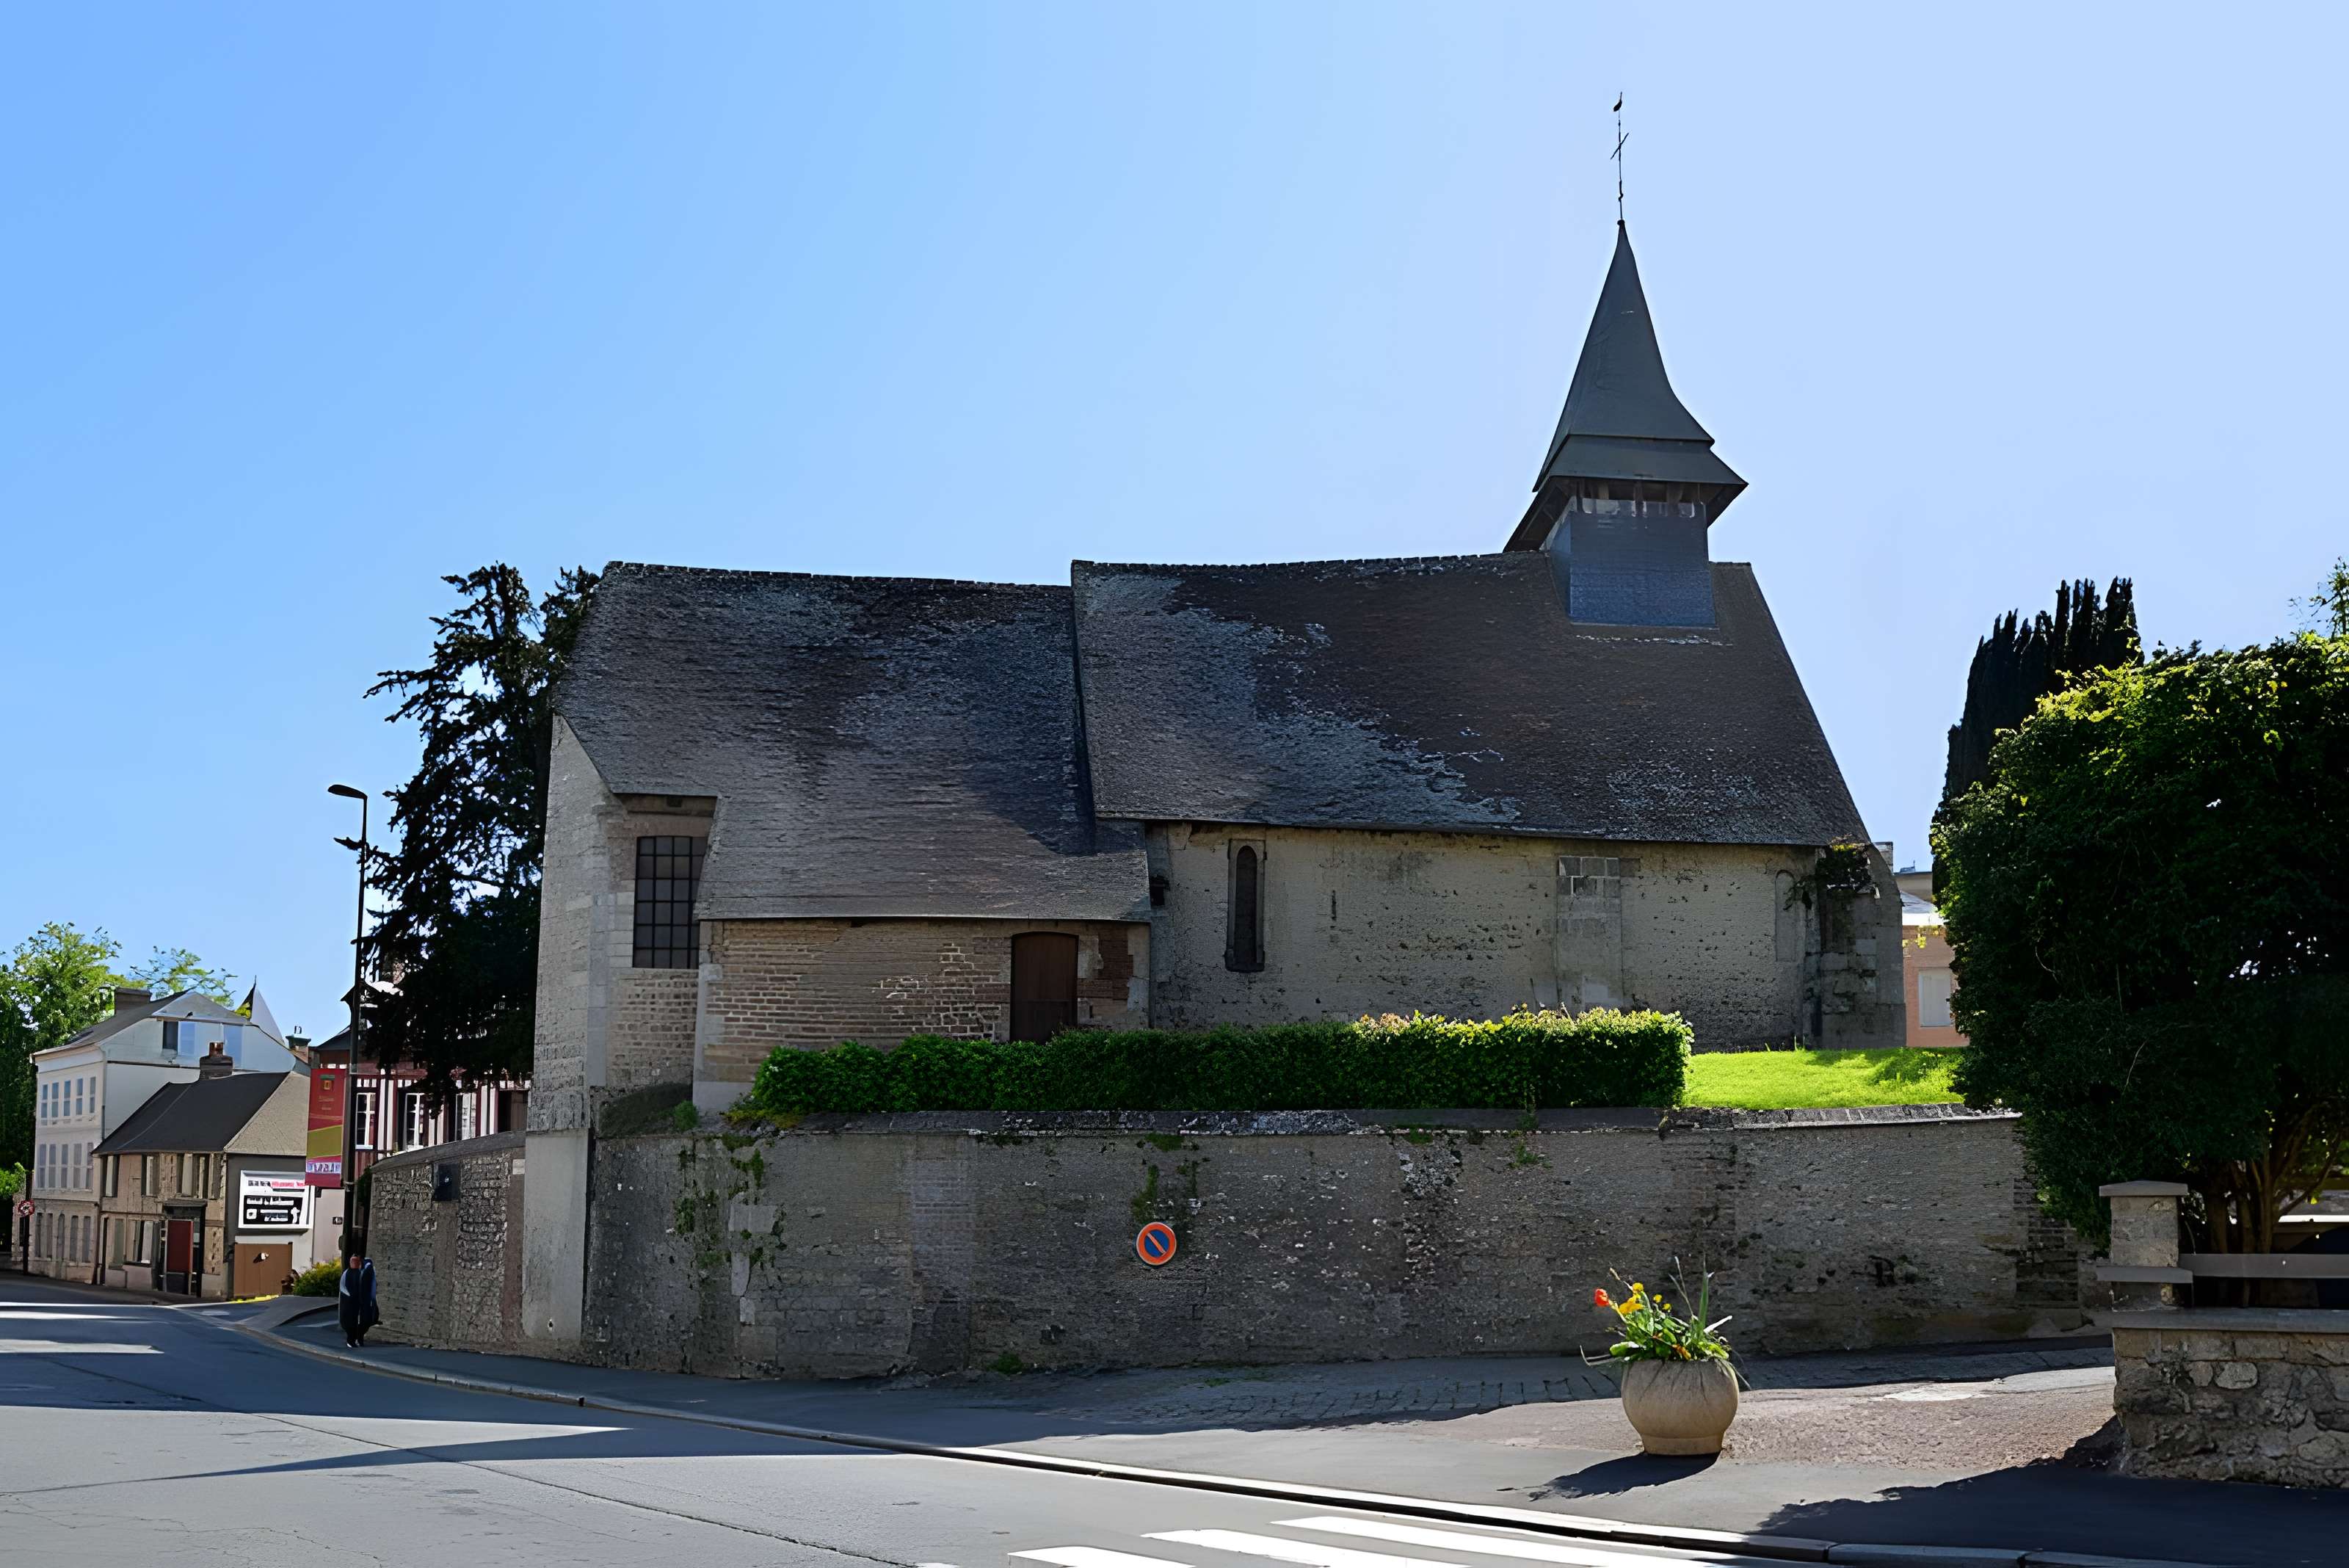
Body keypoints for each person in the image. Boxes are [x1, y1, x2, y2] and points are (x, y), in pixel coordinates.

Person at [338, 1250, 379, 1348]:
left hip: (361, 1300)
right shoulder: (349, 1273)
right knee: (354, 1320)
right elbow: (343, 1287)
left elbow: (371, 1285)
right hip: (355, 1301)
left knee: (364, 1319)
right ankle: (355, 1339)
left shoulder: (365, 1270)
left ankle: (357, 1338)